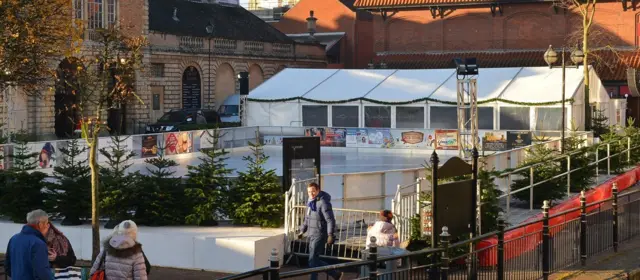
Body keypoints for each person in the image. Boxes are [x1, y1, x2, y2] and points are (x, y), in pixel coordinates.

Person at [297, 182, 343, 280]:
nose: (311, 193)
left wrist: (330, 234)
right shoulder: (310, 202)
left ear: (318, 190)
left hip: (320, 234)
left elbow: (330, 219)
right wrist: (302, 231)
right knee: (314, 260)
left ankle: (321, 276)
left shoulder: (323, 202)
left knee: (312, 260)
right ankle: (335, 274)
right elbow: (307, 219)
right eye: (309, 192)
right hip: (311, 234)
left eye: (313, 191)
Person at [5, 209, 54, 280]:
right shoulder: (38, 243)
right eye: (47, 224)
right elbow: (42, 273)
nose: (48, 227)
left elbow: (7, 266)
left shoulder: (14, 239)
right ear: (40, 225)